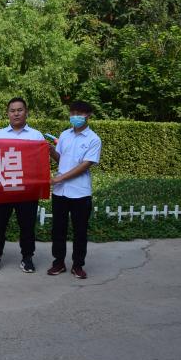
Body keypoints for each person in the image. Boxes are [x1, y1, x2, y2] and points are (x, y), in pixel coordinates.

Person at [0, 97, 45, 273]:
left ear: (26, 112)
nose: (16, 114)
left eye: (20, 110)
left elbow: (40, 164)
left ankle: (27, 258)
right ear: (7, 114)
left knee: (27, 226)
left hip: (27, 190)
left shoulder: (36, 136)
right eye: (12, 111)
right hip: (2, 189)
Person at [47, 100, 102, 279]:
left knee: (80, 231)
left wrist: (59, 178)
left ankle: (78, 265)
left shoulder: (93, 139)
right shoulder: (65, 135)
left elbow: (85, 165)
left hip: (80, 192)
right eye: (72, 113)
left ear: (88, 115)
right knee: (58, 230)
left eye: (79, 113)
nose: (75, 117)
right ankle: (58, 263)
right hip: (60, 192)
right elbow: (61, 159)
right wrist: (51, 151)